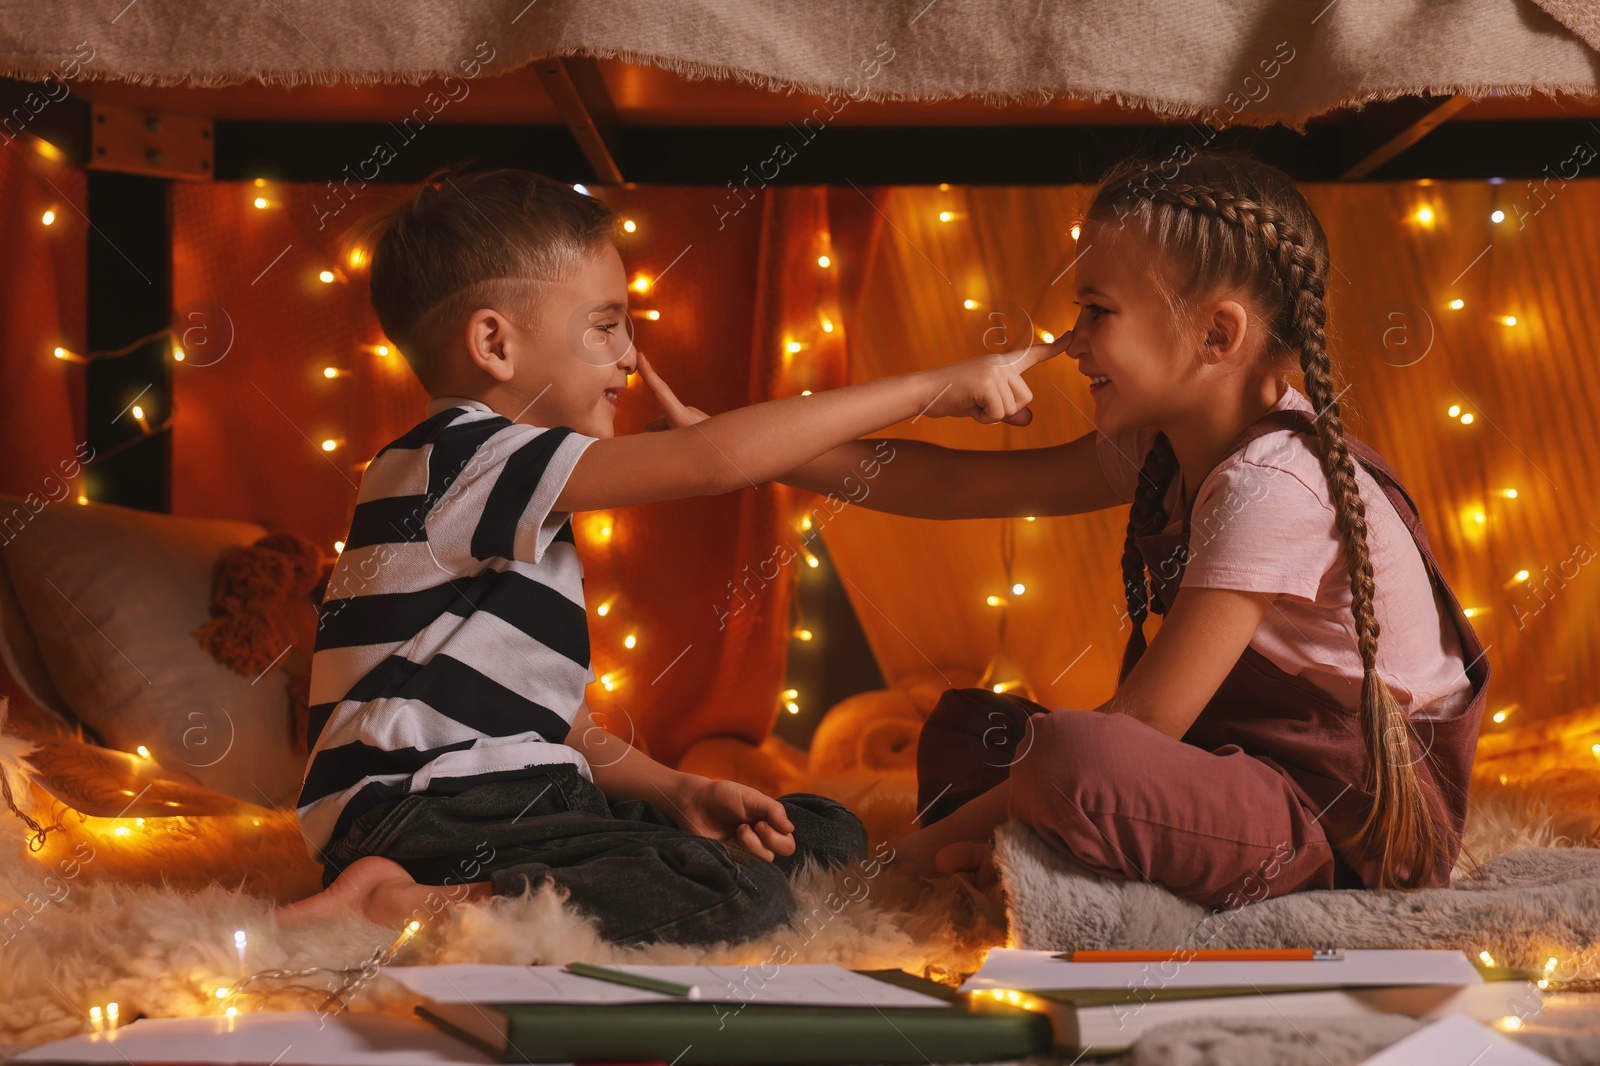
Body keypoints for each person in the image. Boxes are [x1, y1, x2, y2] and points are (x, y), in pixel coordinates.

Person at [273, 165, 1061, 944]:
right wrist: (937, 388)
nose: (629, 353)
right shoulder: (461, 459)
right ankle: (404, 904)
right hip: (422, 807)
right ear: (493, 343)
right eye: (607, 324)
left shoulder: (500, 486)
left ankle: (550, 872)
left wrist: (680, 790)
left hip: (507, 792)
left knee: (820, 835)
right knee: (735, 895)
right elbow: (718, 461)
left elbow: (554, 724)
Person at [780, 149, 1488, 907]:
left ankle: (1038, 865)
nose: (1072, 340)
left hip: (1337, 821)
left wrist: (909, 855)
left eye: (1098, 310)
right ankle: (1046, 859)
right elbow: (956, 484)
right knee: (969, 728)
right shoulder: (1165, 447)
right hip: (1229, 767)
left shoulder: (1273, 485)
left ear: (1218, 336)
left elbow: (1146, 720)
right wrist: (772, 451)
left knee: (1072, 758)